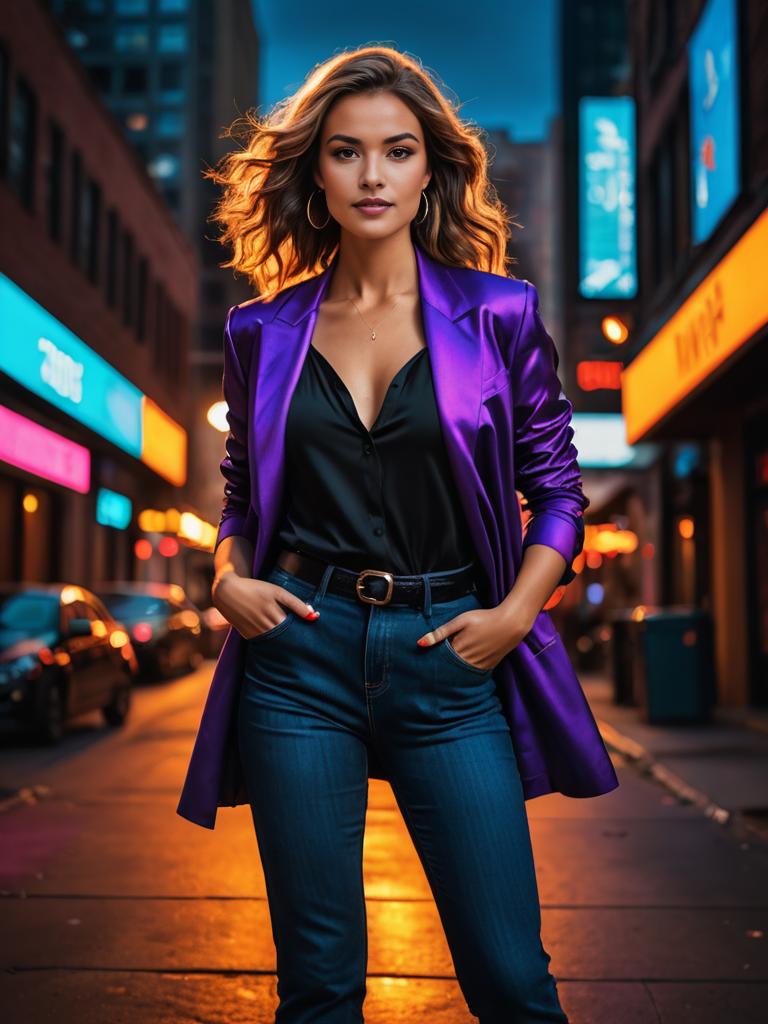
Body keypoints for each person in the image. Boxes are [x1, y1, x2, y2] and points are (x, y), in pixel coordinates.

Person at [183, 44, 616, 1024]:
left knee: (510, 978)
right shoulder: (262, 331)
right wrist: (225, 575)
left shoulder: (501, 316)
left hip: (450, 653)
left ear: (432, 169)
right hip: (298, 653)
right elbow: (244, 495)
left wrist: (513, 612)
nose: (372, 176)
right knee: (320, 987)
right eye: (346, 152)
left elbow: (555, 489)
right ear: (316, 171)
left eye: (397, 150)